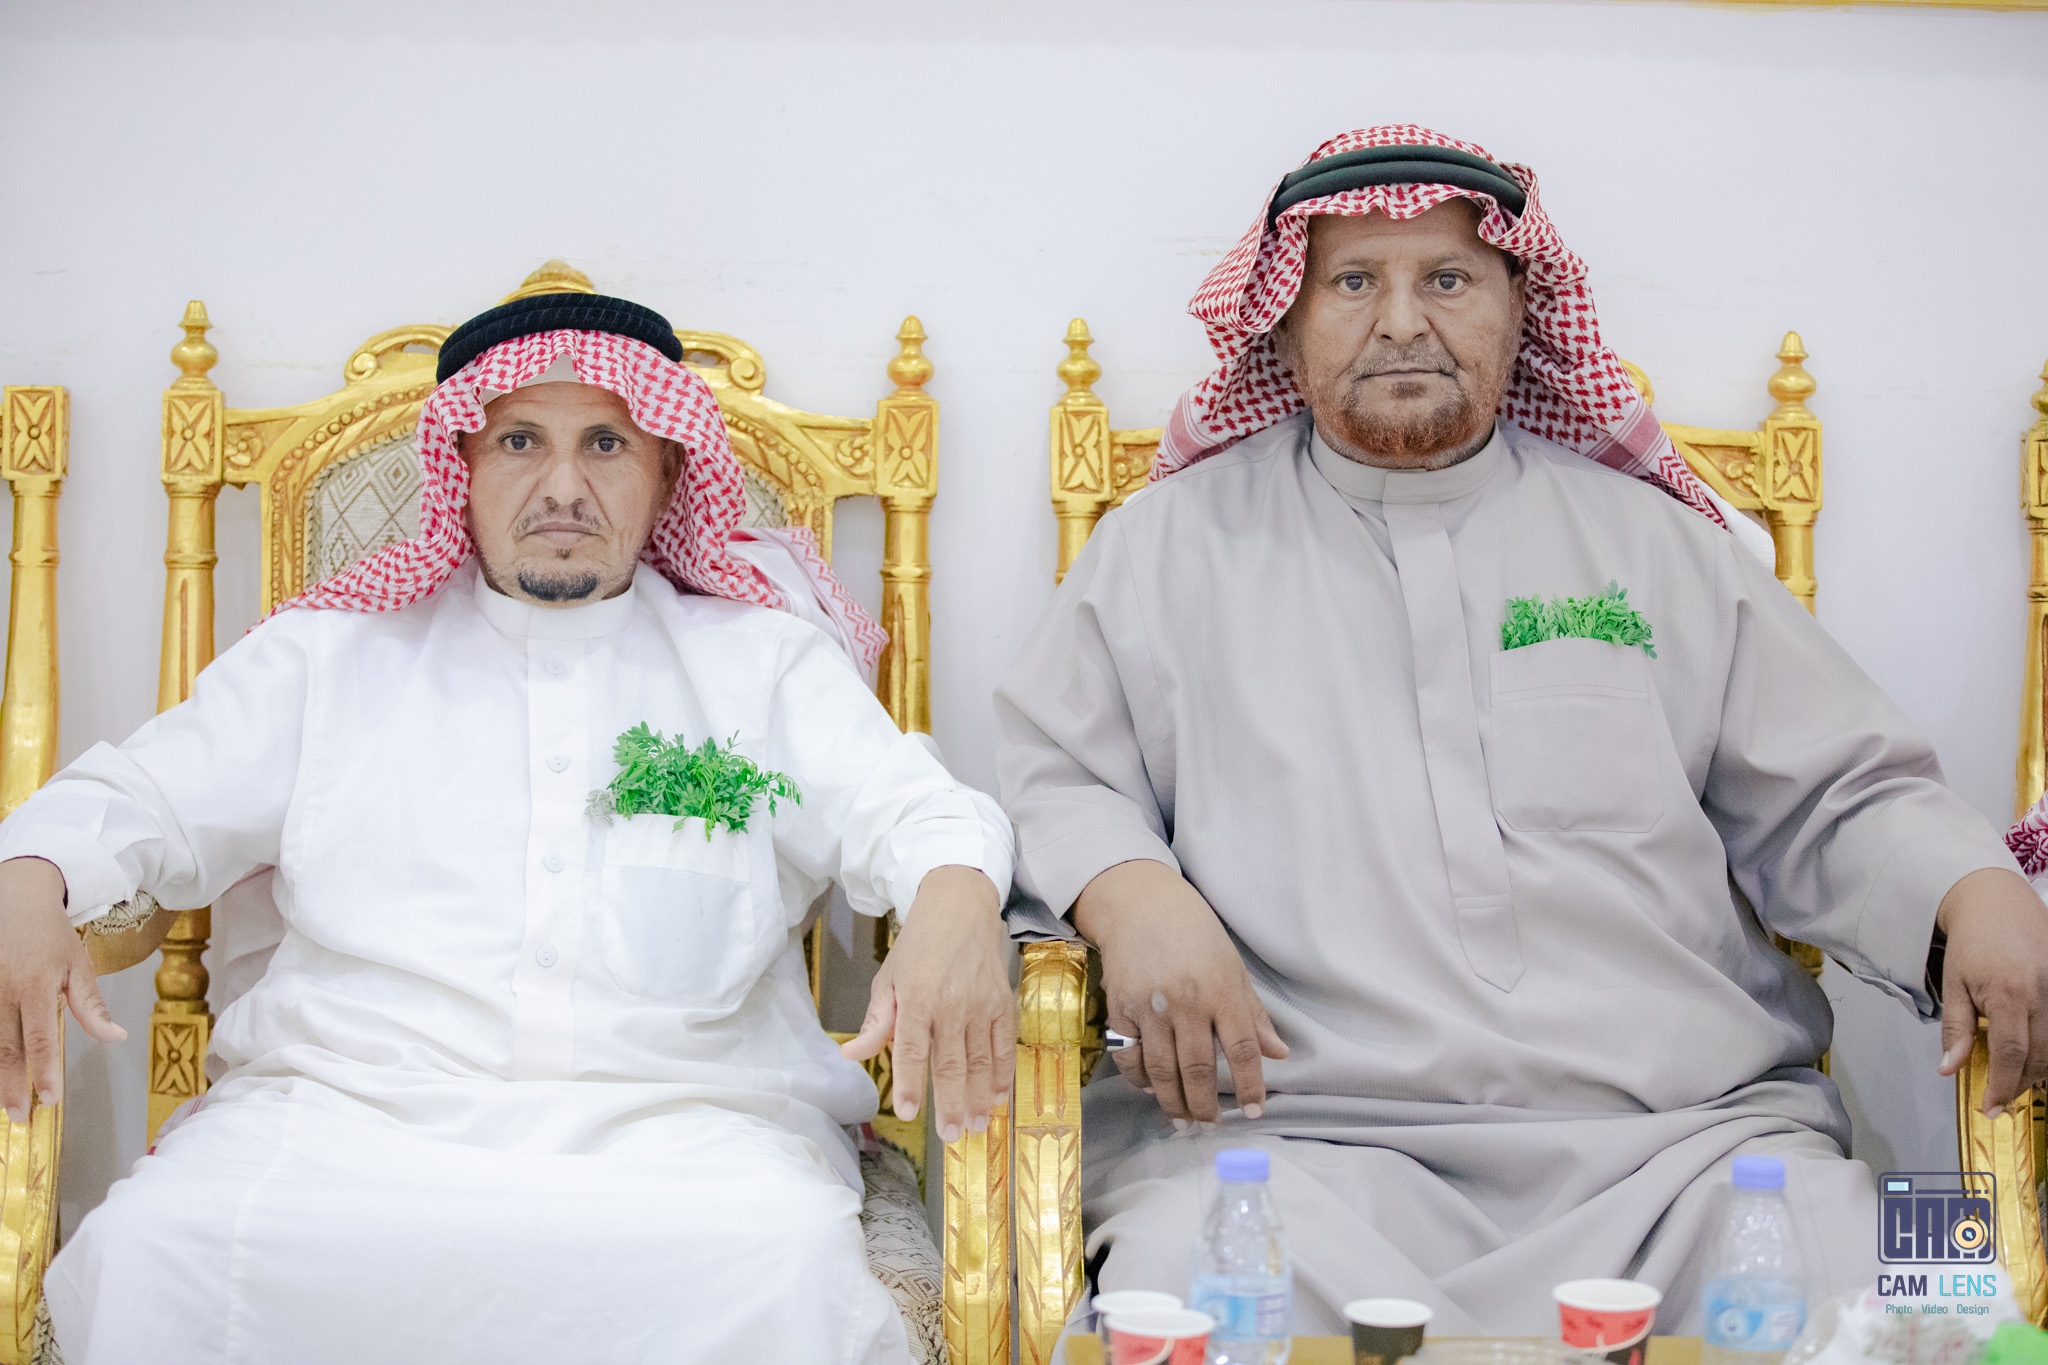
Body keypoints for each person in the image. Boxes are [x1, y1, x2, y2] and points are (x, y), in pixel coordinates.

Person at [994, 126, 2048, 1336]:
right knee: (1176, 1291)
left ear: (1519, 307)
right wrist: (1130, 893)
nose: (1401, 321)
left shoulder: (1655, 546)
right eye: (1352, 282)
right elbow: (1053, 770)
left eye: (1446, 278)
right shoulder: (1164, 550)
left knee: (1947, 1297)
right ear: (1282, 326)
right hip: (1291, 1153)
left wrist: (1971, 889)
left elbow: (1837, 793)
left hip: (1701, 1152)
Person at [0, 293, 1016, 1364]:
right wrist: (28, 879)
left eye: (605, 444)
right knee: (158, 1252)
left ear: (668, 469)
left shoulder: (757, 661)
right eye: (520, 440)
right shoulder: (328, 657)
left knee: (785, 1272)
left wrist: (954, 897)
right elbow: (138, 798)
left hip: (691, 1142)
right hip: (338, 1124)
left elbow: (919, 809)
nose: (563, 487)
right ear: (462, 464)